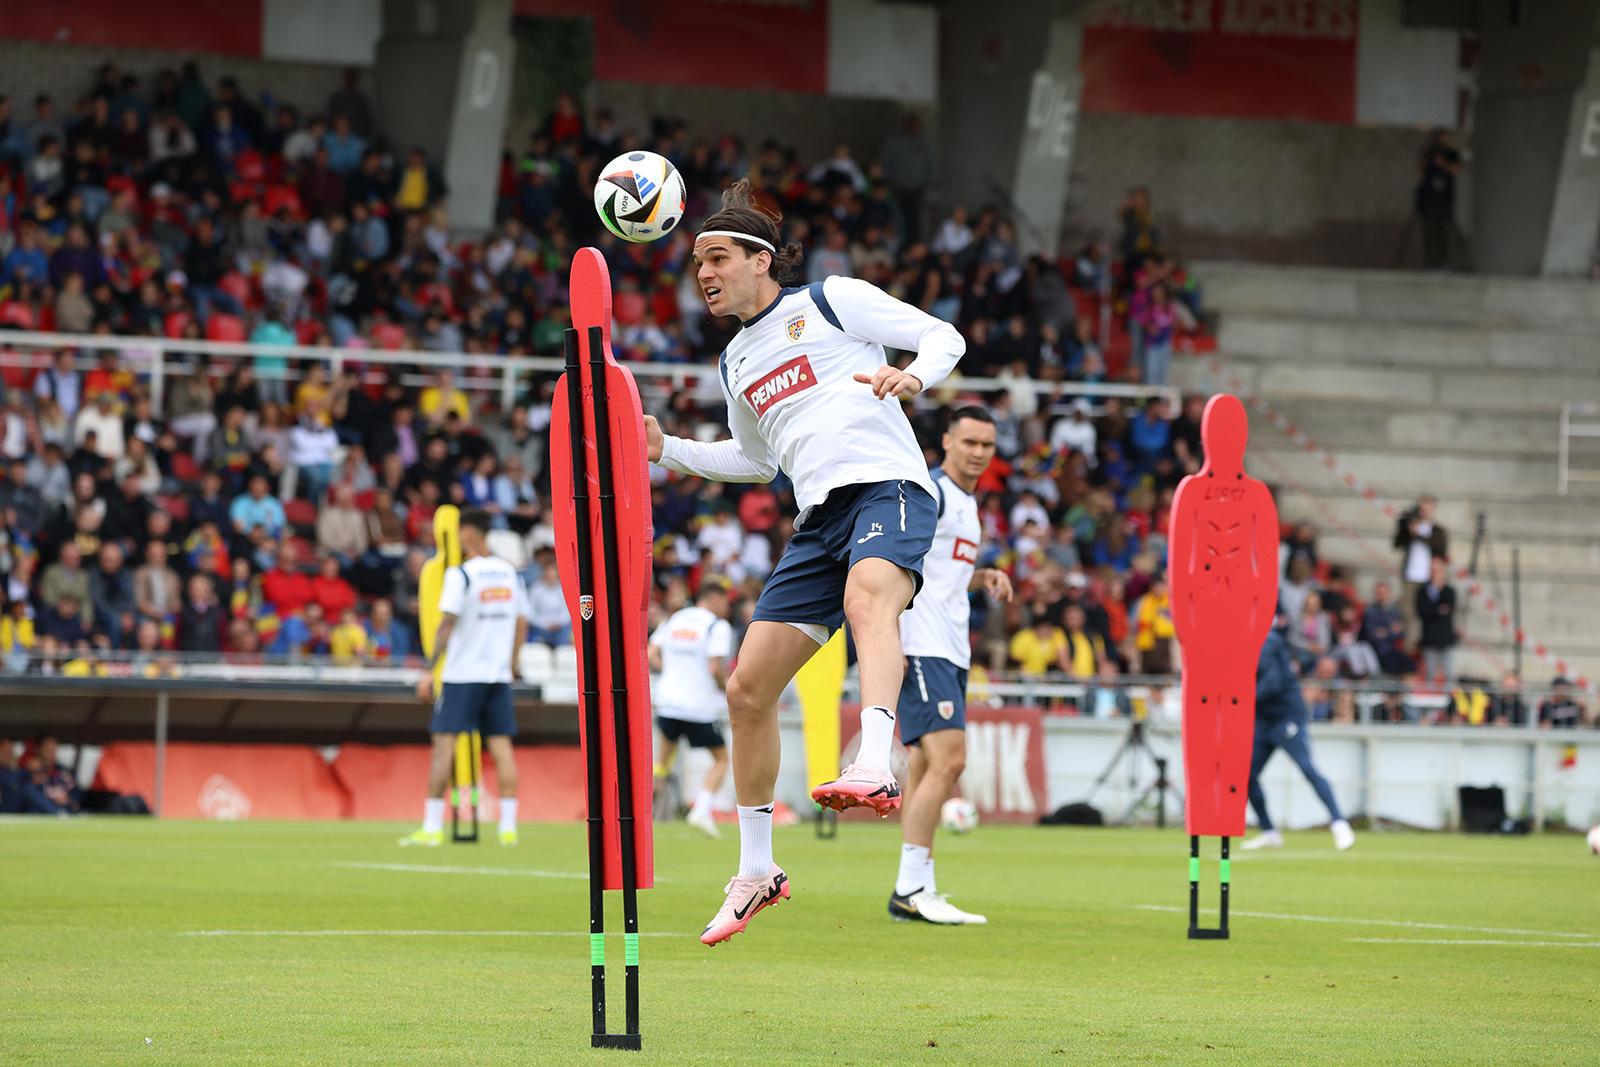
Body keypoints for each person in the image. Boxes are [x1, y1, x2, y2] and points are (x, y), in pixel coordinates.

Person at [645, 178, 964, 946]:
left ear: (761, 260)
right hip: (819, 520)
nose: (705, 274)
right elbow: (754, 462)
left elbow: (943, 335)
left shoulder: (830, 301)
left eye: (717, 257)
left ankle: (878, 758)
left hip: (888, 487)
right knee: (747, 688)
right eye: (696, 265)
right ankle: (758, 871)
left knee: (869, 602)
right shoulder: (736, 362)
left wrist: (912, 376)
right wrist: (666, 449)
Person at [889, 406, 1011, 926]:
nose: (978, 451)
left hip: (952, 646)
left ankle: (916, 884)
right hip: (923, 643)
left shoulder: (968, 503)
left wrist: (980, 576)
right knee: (949, 761)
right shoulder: (931, 492)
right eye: (969, 442)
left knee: (923, 767)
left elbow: (942, 570)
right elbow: (898, 559)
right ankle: (912, 888)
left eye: (987, 443)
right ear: (946, 441)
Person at [400, 509, 530, 848]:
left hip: (461, 675)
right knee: (502, 748)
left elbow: (446, 624)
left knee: (443, 746)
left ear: (469, 534)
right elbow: (520, 622)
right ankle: (508, 828)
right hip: (496, 675)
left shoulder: (462, 574)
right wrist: (513, 662)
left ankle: (431, 827)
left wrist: (430, 670)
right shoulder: (509, 573)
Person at [1240, 628, 1355, 852]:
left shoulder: (1267, 640)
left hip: (1286, 716)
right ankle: (1269, 832)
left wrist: (1240, 698)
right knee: (1246, 775)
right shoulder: (1241, 641)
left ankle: (1339, 823)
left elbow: (1271, 683)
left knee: (1306, 767)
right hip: (1263, 719)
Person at [649, 578, 737, 839]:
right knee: (721, 759)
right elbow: (713, 667)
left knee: (662, 762)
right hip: (698, 705)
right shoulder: (716, 625)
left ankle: (641, 816)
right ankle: (702, 808)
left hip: (669, 702)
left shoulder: (676, 619)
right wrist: (728, 689)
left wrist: (672, 674)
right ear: (715, 599)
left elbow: (651, 652)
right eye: (725, 602)